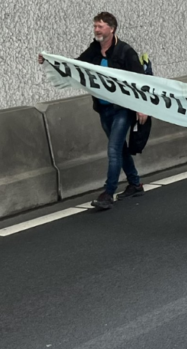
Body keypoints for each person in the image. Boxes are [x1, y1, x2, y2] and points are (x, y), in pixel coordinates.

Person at [38, 12, 147, 210]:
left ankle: (108, 193)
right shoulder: (94, 49)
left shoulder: (125, 51)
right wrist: (50, 62)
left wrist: (142, 107)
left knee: (114, 149)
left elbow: (139, 80)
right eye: (95, 26)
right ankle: (135, 184)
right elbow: (76, 65)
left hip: (122, 108)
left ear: (111, 29)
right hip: (103, 108)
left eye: (100, 26)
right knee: (120, 148)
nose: (96, 29)